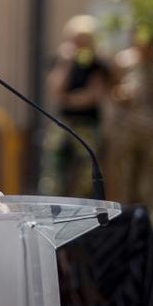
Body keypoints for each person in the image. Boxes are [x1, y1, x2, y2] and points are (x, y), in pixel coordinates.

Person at [42, 15, 111, 197]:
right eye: (75, 40)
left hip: (87, 124)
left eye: (83, 40)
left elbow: (93, 96)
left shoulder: (97, 64)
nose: (79, 44)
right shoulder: (61, 61)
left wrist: (67, 98)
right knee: (53, 170)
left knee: (85, 174)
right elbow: (55, 90)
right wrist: (66, 64)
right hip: (63, 122)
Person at [108, 30, 153, 207]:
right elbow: (113, 92)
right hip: (128, 128)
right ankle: (127, 215)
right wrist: (122, 94)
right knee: (127, 176)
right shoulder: (123, 61)